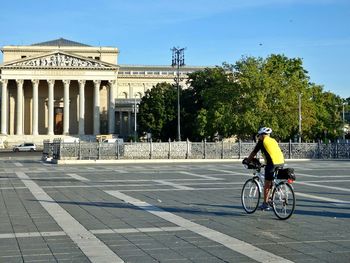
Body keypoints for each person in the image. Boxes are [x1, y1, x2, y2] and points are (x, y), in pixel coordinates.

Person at [245, 127, 285, 210]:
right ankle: (271, 197)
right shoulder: (273, 140)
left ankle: (265, 203)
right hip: (281, 162)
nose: (258, 137)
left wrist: (248, 161)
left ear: (262, 135)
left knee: (267, 184)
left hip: (272, 164)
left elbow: (254, 152)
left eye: (259, 135)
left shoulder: (262, 141)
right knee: (272, 181)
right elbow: (273, 152)